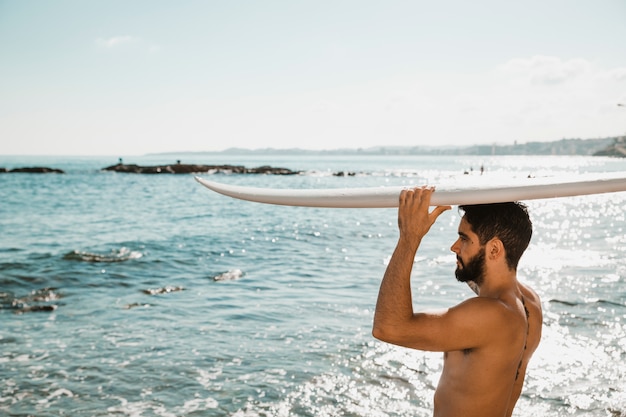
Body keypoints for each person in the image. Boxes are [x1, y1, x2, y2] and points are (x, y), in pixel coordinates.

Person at [373, 186, 542, 417]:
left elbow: (389, 327)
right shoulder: (529, 303)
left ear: (494, 249)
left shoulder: (490, 316)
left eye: (464, 238)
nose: (454, 246)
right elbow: (478, 279)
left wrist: (409, 237)